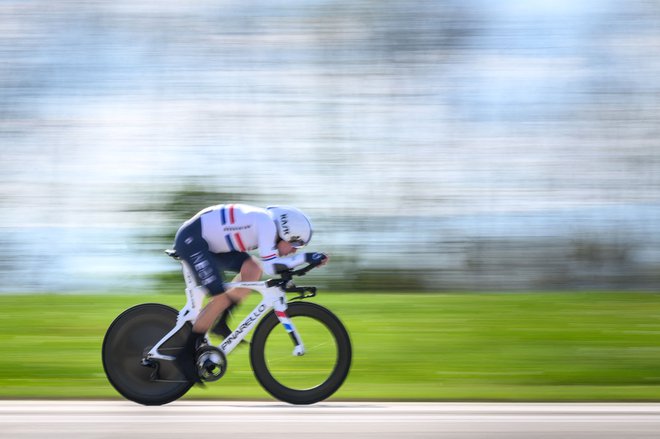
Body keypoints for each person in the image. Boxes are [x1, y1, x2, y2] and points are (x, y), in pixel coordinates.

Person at [172, 203, 328, 381]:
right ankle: (184, 355)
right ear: (285, 233)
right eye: (296, 244)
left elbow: (269, 264)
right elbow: (272, 266)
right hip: (193, 241)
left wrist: (306, 261)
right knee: (220, 299)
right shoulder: (267, 224)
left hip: (207, 243)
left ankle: (220, 323)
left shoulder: (266, 223)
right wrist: (307, 258)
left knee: (252, 269)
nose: (294, 250)